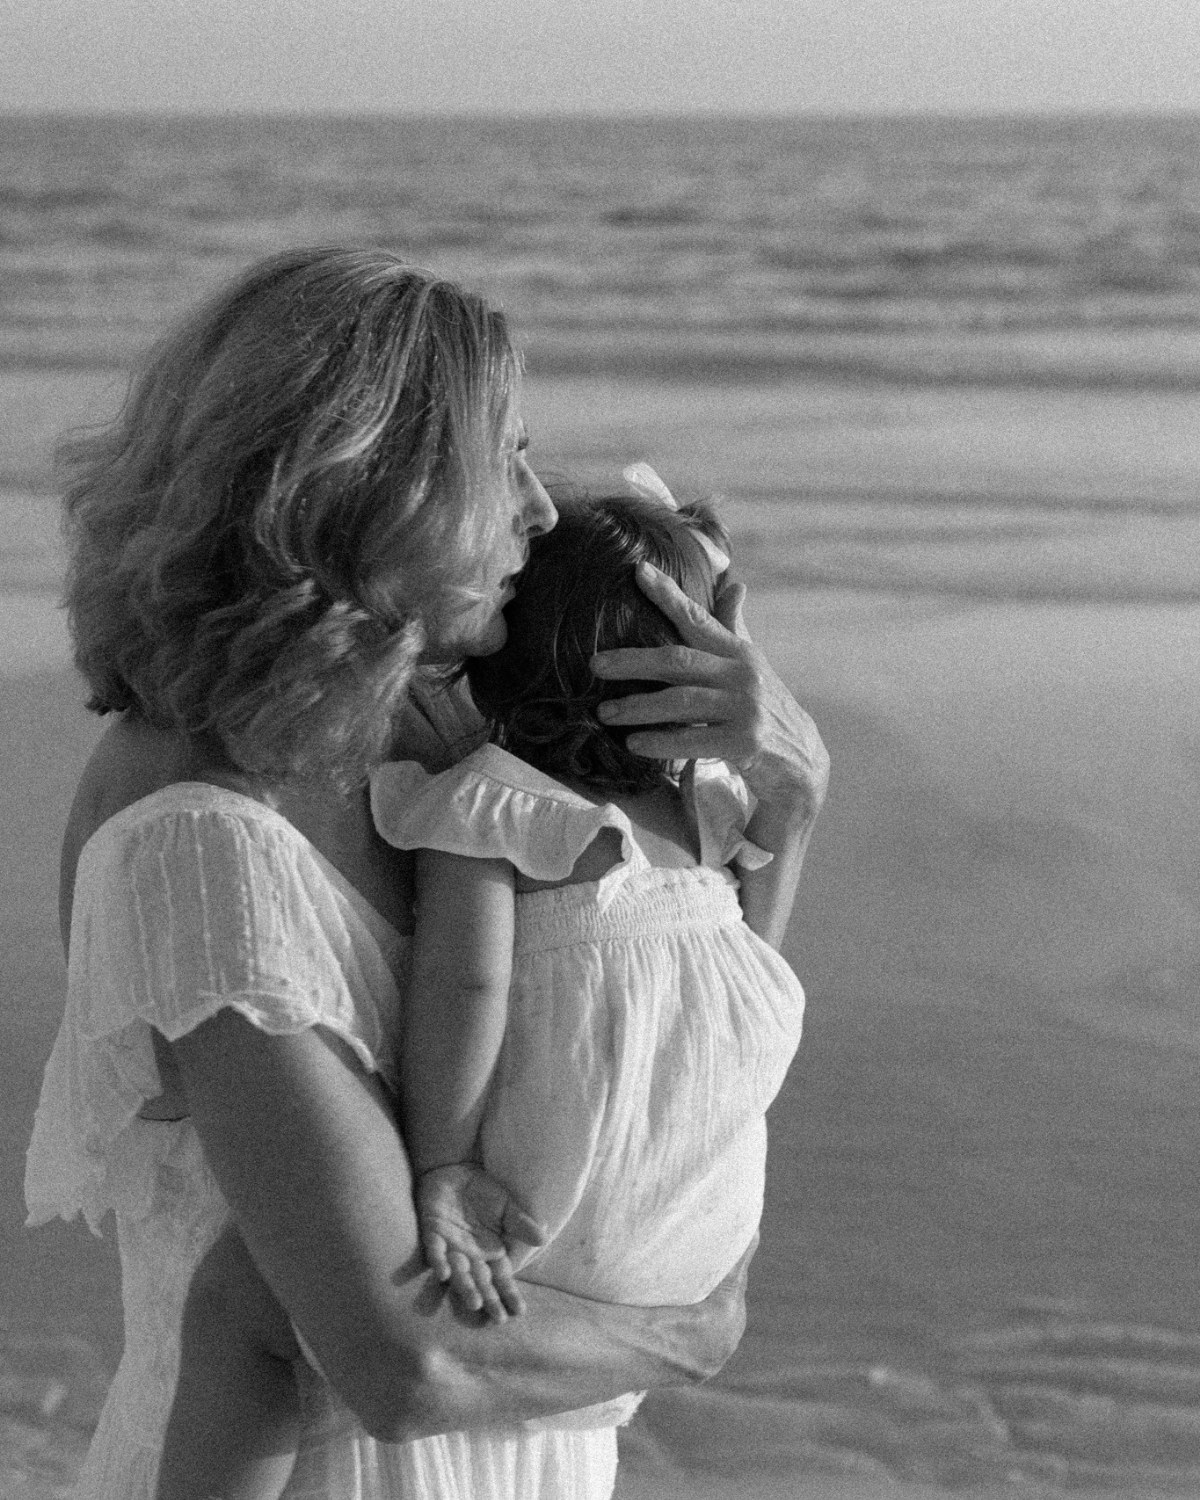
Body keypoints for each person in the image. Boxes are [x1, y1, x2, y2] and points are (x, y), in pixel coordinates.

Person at [23, 247, 828, 1500]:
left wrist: (787, 798)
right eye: (498, 458)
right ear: (366, 488)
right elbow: (398, 1361)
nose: (541, 509)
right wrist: (687, 1332)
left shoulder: (427, 739)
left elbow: (676, 1025)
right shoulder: (197, 839)